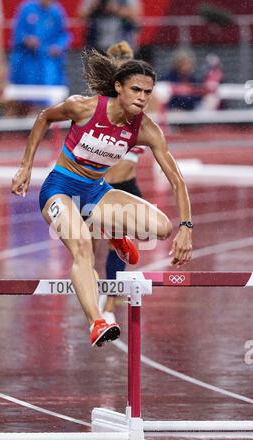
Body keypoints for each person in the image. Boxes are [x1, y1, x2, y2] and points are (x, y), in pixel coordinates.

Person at [11, 49, 193, 348]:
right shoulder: (84, 108)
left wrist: (186, 227)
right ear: (119, 87)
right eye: (136, 89)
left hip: (96, 192)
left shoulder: (146, 129)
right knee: (82, 247)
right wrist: (25, 167)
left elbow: (176, 179)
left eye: (148, 92)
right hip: (60, 190)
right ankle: (97, 321)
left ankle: (113, 231)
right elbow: (44, 117)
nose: (142, 98)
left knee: (161, 228)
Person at [97, 40, 145, 323]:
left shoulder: (140, 102)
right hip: (99, 186)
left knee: (121, 243)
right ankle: (96, 300)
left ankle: (111, 302)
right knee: (88, 244)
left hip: (126, 185)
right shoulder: (98, 104)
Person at [9, 0, 70, 88]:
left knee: (51, 91)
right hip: (27, 60)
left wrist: (58, 46)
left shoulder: (57, 11)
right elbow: (17, 33)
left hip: (48, 60)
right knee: (24, 93)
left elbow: (64, 35)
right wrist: (26, 39)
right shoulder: (26, 8)